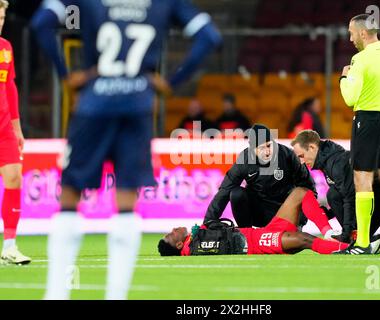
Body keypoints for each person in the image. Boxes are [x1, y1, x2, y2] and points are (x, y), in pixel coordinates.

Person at [31, 0, 222, 299]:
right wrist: (170, 82)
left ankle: (56, 294)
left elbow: (41, 22)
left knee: (69, 196)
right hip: (137, 108)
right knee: (126, 203)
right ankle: (116, 295)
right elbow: (209, 36)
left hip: (93, 107)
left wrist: (66, 74)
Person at [339, 14, 380, 255]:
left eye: (351, 32)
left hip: (367, 121)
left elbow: (350, 98)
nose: (350, 37)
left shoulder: (360, 59)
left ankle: (363, 242)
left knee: (362, 180)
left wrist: (344, 76)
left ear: (363, 33)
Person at [158, 187, 380, 256]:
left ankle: (328, 232)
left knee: (299, 193)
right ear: (179, 245)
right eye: (170, 235)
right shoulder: (193, 247)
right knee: (303, 239)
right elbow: (228, 246)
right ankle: (351, 249)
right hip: (257, 242)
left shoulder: (196, 236)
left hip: (261, 231)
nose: (172, 230)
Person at [204, 124, 339, 239]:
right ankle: (246, 236)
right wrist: (207, 222)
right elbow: (224, 191)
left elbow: (308, 188)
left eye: (269, 145)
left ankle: (299, 229)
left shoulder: (288, 155)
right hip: (261, 212)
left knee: (300, 192)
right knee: (236, 193)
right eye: (262, 148)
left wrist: (301, 220)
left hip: (287, 211)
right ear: (252, 149)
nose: (267, 151)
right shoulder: (244, 161)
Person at [291, 130, 380, 255]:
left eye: (301, 156)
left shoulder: (335, 163)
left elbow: (348, 198)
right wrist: (329, 213)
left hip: (376, 202)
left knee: (333, 196)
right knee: (336, 198)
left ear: (312, 147)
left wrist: (345, 234)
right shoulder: (331, 160)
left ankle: (364, 238)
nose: (301, 161)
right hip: (379, 201)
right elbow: (349, 192)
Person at [0, 0, 31, 265]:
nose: (0, 22)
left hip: (4, 128)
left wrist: (17, 128)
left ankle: (9, 246)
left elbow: (10, 87)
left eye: (2, 18)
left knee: (14, 178)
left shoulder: (6, 48)